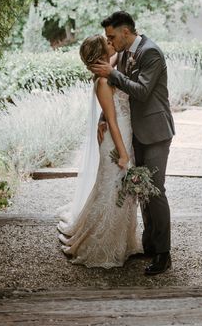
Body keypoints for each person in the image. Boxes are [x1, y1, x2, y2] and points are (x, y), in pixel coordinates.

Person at [89, 11, 175, 275]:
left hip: (156, 131)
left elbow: (142, 90)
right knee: (142, 189)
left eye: (112, 36)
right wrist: (105, 116)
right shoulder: (126, 52)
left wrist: (112, 73)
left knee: (155, 190)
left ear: (126, 32)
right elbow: (119, 96)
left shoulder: (151, 53)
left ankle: (163, 254)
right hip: (136, 130)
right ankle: (150, 244)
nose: (109, 41)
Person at [57, 35, 141, 268]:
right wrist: (124, 155)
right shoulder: (103, 82)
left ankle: (123, 242)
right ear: (101, 53)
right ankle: (99, 244)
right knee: (111, 190)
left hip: (124, 135)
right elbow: (112, 122)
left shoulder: (108, 70)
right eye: (106, 41)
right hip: (116, 141)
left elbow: (117, 55)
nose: (109, 40)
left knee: (119, 191)